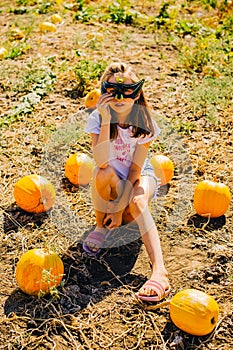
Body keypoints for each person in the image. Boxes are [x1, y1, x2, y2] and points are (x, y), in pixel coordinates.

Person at [83, 62, 170, 302]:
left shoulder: (144, 122)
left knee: (138, 201)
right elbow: (101, 161)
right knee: (102, 172)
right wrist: (106, 117)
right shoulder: (97, 119)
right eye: (113, 91)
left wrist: (120, 208)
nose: (120, 97)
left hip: (141, 176)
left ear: (138, 93)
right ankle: (101, 227)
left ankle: (160, 271)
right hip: (111, 181)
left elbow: (134, 171)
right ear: (104, 92)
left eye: (127, 90)